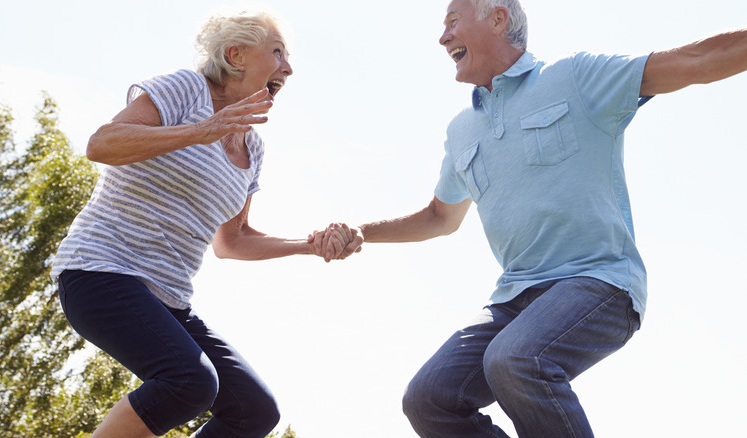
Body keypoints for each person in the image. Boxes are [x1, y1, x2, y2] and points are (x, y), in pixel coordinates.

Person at [314, 0, 747, 437]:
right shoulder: (462, 129)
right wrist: (362, 232)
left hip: (600, 281)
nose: (442, 37)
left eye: (452, 21)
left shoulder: (575, 78)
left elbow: (694, 62)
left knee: (515, 359)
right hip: (514, 300)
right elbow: (438, 217)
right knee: (429, 398)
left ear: (498, 18)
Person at [51, 11, 352, 438]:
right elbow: (101, 144)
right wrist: (200, 130)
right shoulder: (185, 89)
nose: (288, 67)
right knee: (190, 383)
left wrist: (309, 243)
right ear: (236, 55)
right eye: (278, 52)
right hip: (99, 271)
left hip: (169, 298)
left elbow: (233, 241)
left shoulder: (252, 146)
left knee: (253, 411)